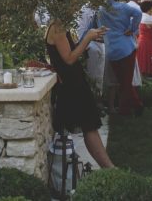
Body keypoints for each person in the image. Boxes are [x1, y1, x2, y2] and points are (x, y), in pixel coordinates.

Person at [45, 16, 114, 168]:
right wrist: (88, 38)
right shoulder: (58, 27)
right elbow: (69, 59)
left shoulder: (59, 25)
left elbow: (69, 53)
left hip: (75, 82)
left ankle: (109, 168)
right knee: (89, 126)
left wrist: (88, 39)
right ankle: (110, 168)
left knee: (90, 126)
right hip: (72, 85)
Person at [98, 0, 143, 116]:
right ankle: (129, 109)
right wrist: (132, 29)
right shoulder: (123, 7)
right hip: (126, 47)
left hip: (111, 48)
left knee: (122, 81)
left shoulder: (101, 9)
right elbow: (138, 13)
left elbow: (99, 27)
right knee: (126, 82)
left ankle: (133, 107)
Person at [137, 0, 152, 76]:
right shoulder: (148, 19)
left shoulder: (143, 16)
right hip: (148, 42)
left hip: (143, 40)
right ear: (149, 9)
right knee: (149, 58)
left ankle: (146, 74)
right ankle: (150, 73)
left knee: (144, 58)